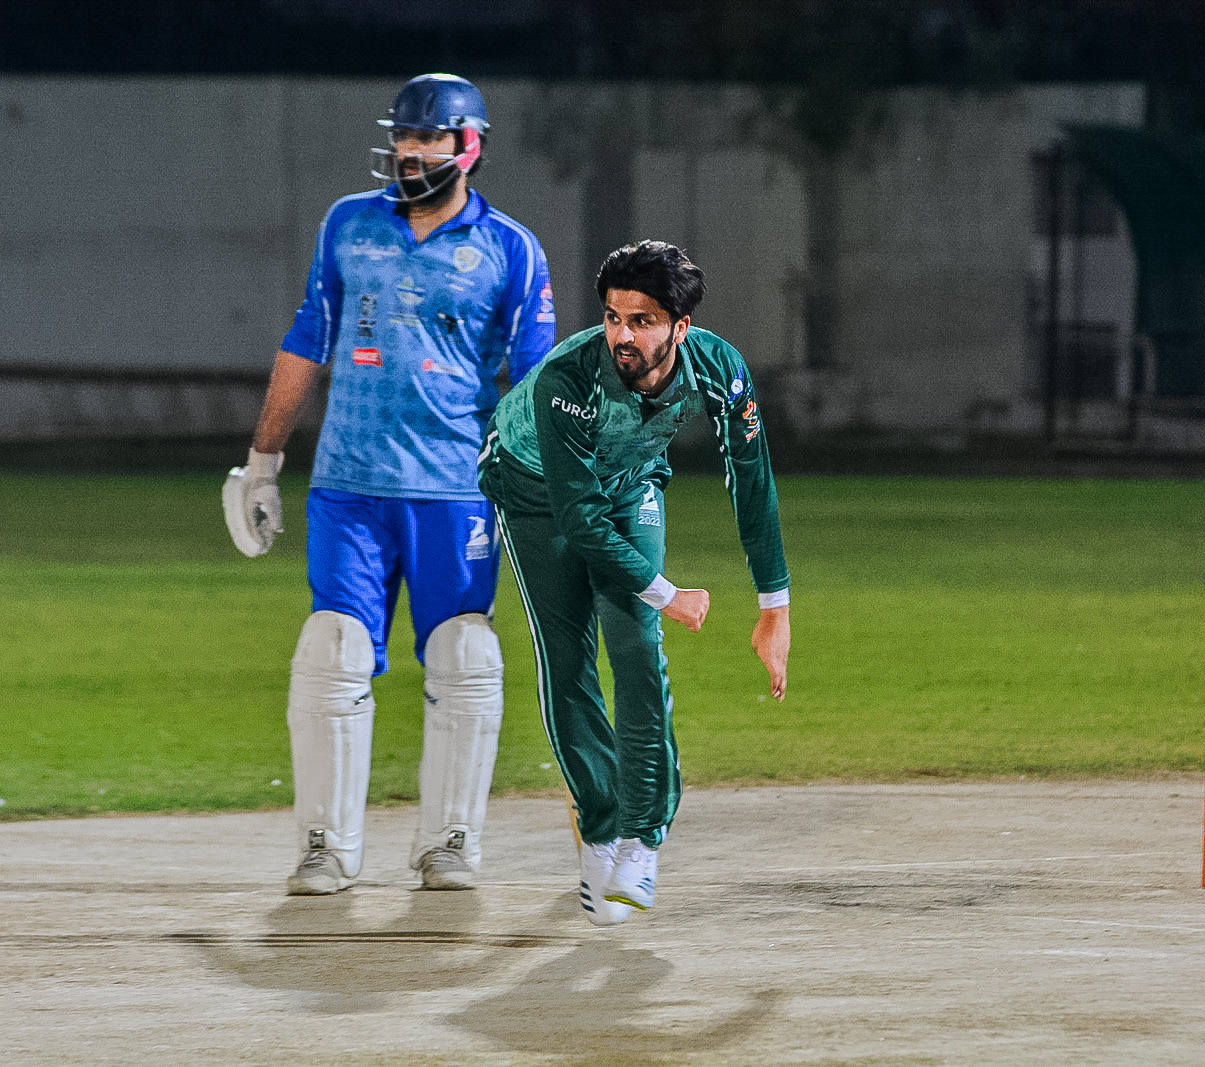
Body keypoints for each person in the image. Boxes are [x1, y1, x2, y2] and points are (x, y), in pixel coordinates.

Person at [222, 73, 556, 896]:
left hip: (457, 488)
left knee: (464, 655)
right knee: (332, 649)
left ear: (468, 147)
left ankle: (450, 842)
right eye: (403, 136)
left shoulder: (511, 248)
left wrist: (544, 489)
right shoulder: (349, 223)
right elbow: (308, 339)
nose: (410, 151)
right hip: (349, 485)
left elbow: (535, 379)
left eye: (429, 137)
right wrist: (263, 460)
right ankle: (325, 847)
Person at [478, 240, 791, 925]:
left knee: (636, 648)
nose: (622, 334)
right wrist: (669, 594)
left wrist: (775, 606)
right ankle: (599, 827)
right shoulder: (570, 378)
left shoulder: (718, 367)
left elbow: (753, 479)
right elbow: (579, 518)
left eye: (642, 320)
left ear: (681, 327)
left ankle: (641, 839)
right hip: (534, 489)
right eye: (614, 317)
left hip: (628, 481)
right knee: (567, 660)